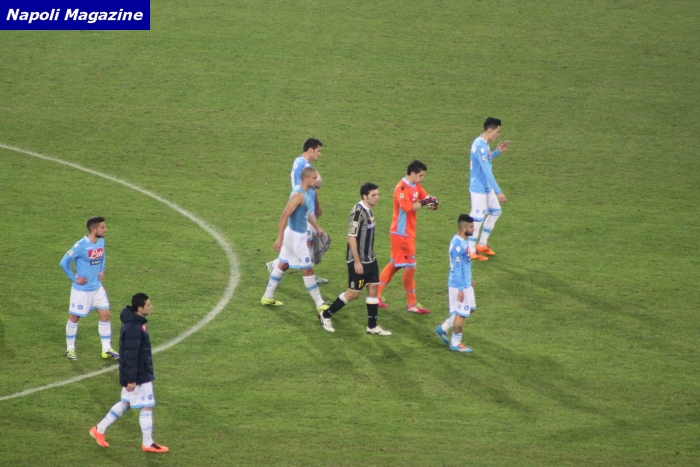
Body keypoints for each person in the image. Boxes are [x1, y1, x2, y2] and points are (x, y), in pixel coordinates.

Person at [89, 293, 169, 453]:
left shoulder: (135, 322)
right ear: (139, 308)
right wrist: (132, 379)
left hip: (137, 372)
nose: (151, 307)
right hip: (139, 375)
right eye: (148, 305)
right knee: (147, 406)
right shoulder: (133, 328)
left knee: (126, 403)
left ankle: (99, 429)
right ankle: (148, 444)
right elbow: (131, 355)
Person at [318, 183, 391, 335]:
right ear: (365, 196)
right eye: (373, 195)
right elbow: (351, 238)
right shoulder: (358, 213)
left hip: (370, 258)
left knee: (373, 288)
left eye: (377, 194)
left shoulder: (369, 210)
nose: (377, 197)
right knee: (353, 293)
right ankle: (325, 314)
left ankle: (372, 326)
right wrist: (357, 262)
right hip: (358, 261)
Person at [261, 167, 330, 312]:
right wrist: (279, 239)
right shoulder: (298, 195)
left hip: (293, 234)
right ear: (305, 179)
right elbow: (284, 215)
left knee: (283, 264)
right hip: (296, 238)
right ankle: (320, 304)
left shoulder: (306, 192)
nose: (316, 180)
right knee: (308, 270)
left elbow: (305, 213)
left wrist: (317, 227)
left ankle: (267, 296)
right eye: (314, 178)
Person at [376, 160, 438, 314]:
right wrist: (425, 202)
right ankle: (412, 304)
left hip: (407, 232)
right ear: (412, 174)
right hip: (401, 233)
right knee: (410, 267)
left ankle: (376, 295)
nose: (422, 178)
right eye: (421, 175)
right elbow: (408, 208)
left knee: (395, 264)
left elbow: (426, 197)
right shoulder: (401, 188)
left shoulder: (415, 185)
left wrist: (433, 202)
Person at [267, 138, 329, 284]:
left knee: (308, 243)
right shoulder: (303, 165)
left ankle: (279, 265)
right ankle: (281, 266)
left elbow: (312, 186)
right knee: (305, 244)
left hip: (308, 206)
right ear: (310, 150)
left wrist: (317, 204)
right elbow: (317, 184)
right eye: (318, 151)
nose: (320, 154)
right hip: (304, 209)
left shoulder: (300, 162)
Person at [59, 216, 118, 360]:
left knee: (106, 315)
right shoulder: (80, 246)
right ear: (94, 229)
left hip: (97, 288)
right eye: (102, 227)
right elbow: (64, 262)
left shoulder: (100, 241)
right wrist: (74, 278)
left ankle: (106, 349)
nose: (105, 230)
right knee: (75, 317)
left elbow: (102, 255)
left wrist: (101, 269)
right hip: (82, 290)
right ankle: (70, 349)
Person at [468, 117, 510, 261]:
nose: (498, 135)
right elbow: (486, 170)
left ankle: (482, 244)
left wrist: (497, 151)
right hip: (479, 188)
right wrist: (498, 191)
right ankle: (471, 249)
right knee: (477, 218)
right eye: (497, 132)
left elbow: (486, 159)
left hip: (485, 186)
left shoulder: (483, 144)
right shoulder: (480, 146)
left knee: (496, 211)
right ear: (490, 130)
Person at [435, 214, 476, 353]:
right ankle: (455, 343)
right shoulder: (458, 246)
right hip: (459, 284)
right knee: (461, 313)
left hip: (465, 282)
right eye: (471, 227)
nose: (474, 229)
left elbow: (465, 264)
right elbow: (457, 268)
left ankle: (443, 328)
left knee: (470, 308)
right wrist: (460, 289)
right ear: (464, 228)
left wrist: (469, 278)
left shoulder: (463, 241)